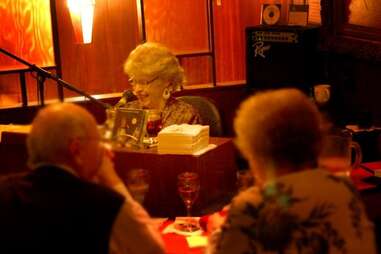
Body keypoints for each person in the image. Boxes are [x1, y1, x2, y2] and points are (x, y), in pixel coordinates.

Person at [206, 89, 376, 254]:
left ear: (255, 150)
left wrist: (218, 232)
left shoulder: (251, 206)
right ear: (316, 140)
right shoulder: (343, 188)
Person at [0, 103, 165, 254]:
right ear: (76, 150)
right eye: (98, 141)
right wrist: (111, 178)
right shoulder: (106, 206)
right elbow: (153, 249)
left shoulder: (4, 190)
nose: (103, 149)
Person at [115, 42, 201, 127]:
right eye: (134, 81)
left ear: (166, 81)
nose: (137, 89)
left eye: (143, 82)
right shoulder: (128, 111)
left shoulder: (185, 116)